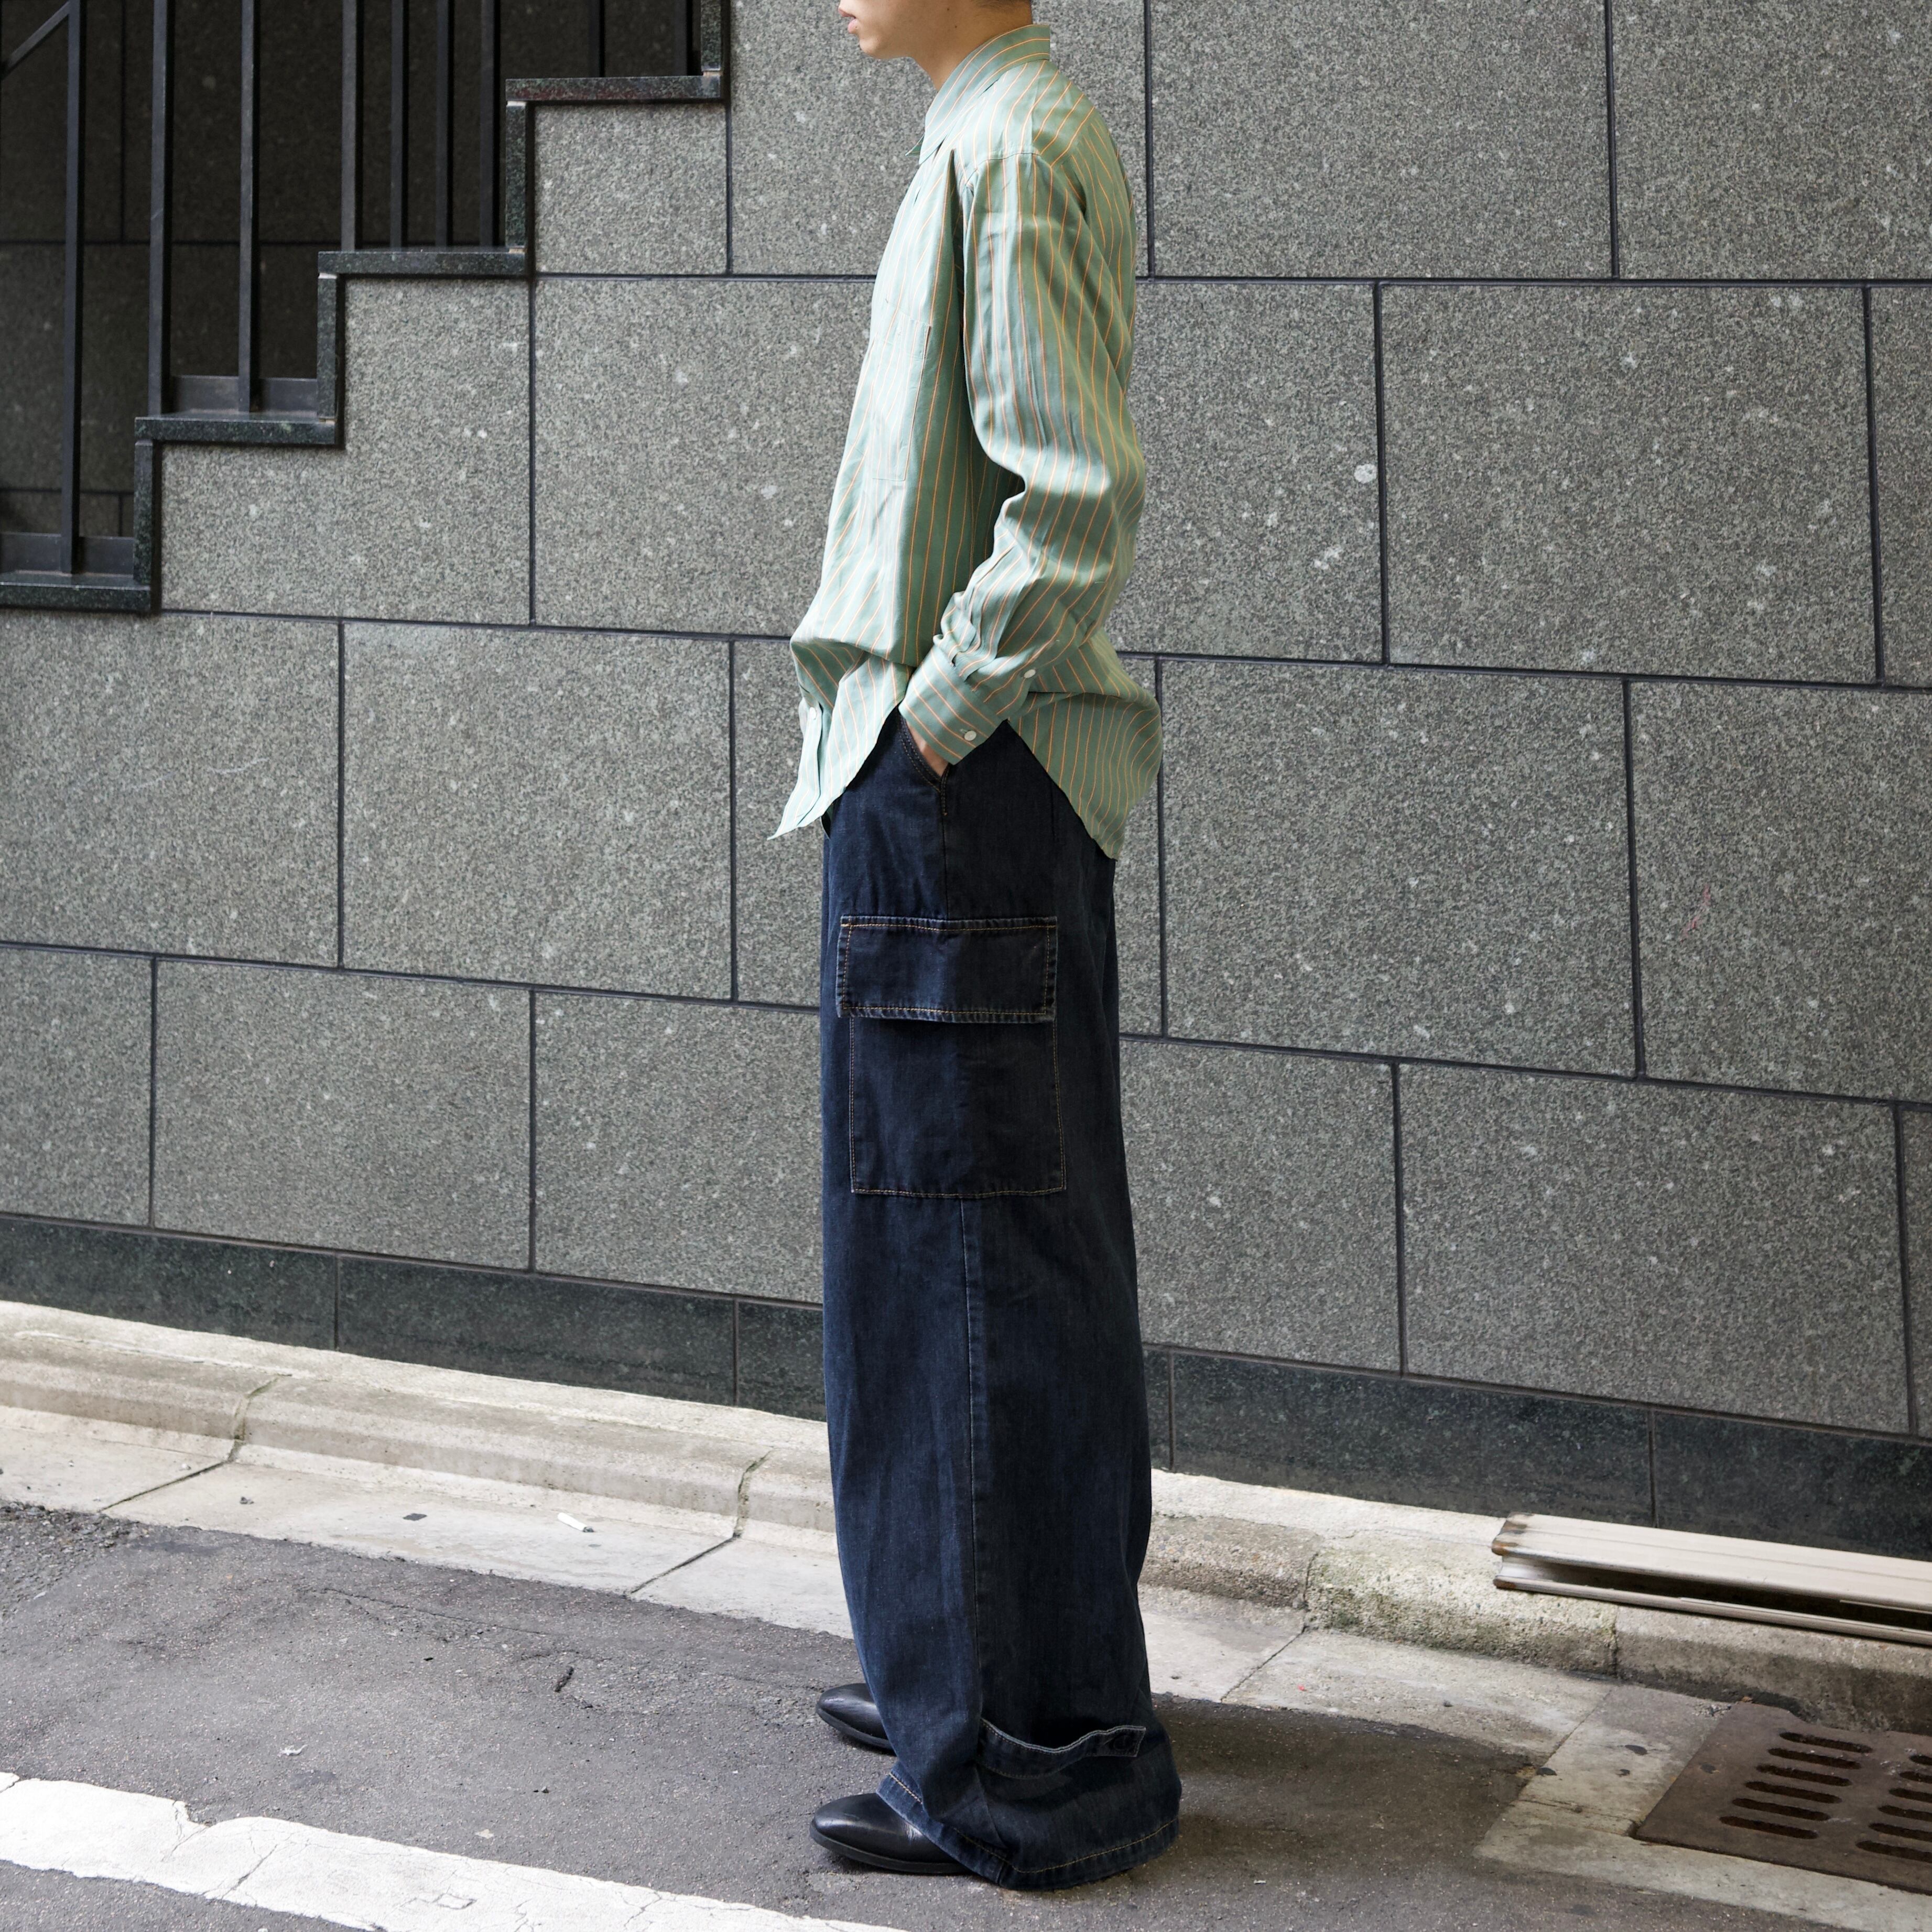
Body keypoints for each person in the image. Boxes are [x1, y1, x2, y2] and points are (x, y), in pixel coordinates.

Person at [776, 0, 1177, 1889]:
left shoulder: (1011, 143)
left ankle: (1023, 1757)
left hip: (965, 782)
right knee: (979, 1253)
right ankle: (993, 1669)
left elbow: (1070, 500)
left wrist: (932, 717)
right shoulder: (986, 128)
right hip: (959, 784)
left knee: (963, 1271)